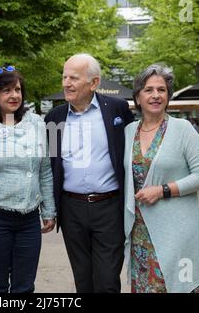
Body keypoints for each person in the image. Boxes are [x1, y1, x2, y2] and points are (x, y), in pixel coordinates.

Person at [44, 53, 134, 293]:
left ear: (94, 83)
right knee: (83, 280)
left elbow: (134, 149)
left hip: (109, 207)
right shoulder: (54, 118)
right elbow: (51, 165)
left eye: (73, 78)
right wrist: (50, 208)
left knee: (106, 282)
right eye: (64, 77)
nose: (66, 83)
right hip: (71, 209)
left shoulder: (117, 109)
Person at [123, 64, 199, 293]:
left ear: (168, 96)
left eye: (161, 90)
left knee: (178, 285)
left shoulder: (183, 129)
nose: (155, 95)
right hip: (139, 232)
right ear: (137, 97)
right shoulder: (128, 131)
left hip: (176, 230)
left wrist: (162, 190)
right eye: (148, 90)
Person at [0, 65, 56, 293]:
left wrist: (49, 211)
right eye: (6, 90)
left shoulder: (36, 122)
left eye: (17, 89)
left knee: (25, 286)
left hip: (28, 218)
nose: (14, 95)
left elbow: (45, 169)